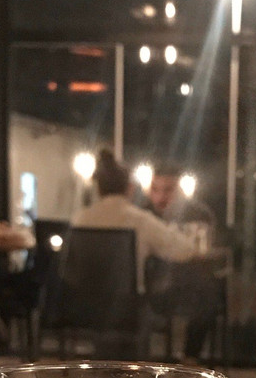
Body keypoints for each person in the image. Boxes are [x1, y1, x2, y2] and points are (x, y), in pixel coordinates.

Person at [71, 149, 198, 292]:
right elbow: (184, 251)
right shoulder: (139, 220)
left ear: (98, 188)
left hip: (82, 300)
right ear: (130, 188)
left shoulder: (79, 219)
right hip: (127, 302)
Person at [145, 163, 223, 361]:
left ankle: (190, 358)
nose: (160, 197)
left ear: (180, 190)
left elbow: (203, 250)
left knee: (205, 291)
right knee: (205, 292)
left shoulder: (199, 214)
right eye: (155, 189)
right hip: (151, 286)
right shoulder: (144, 215)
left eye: (168, 190)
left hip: (187, 284)